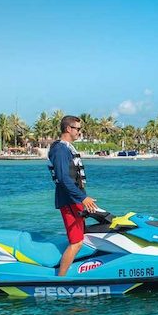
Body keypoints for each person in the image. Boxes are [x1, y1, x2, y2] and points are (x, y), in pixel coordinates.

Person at [48, 115, 99, 276]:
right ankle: (60, 280)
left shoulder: (66, 148)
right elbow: (63, 178)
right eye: (78, 129)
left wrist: (83, 198)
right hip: (69, 201)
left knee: (85, 234)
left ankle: (82, 267)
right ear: (68, 129)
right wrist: (82, 198)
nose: (79, 132)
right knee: (76, 242)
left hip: (75, 199)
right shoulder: (61, 150)